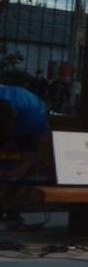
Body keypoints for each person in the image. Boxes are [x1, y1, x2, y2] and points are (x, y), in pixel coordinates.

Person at [0, 85, 51, 228]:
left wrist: (24, 166)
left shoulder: (33, 116)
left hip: (28, 125)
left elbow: (40, 149)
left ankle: (12, 209)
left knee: (24, 172)